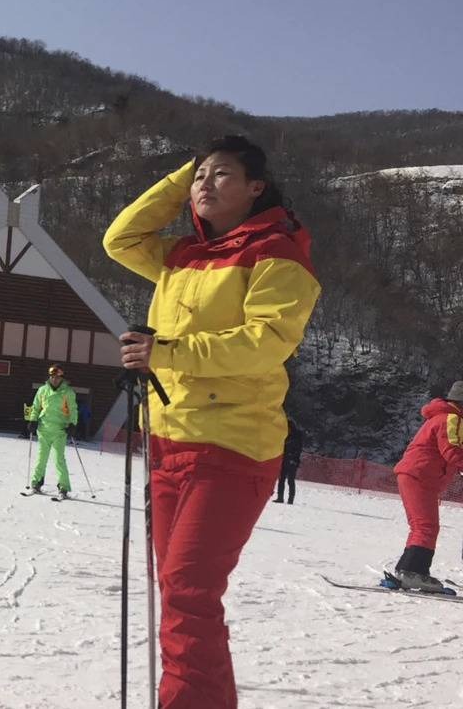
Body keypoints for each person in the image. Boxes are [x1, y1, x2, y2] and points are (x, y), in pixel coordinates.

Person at [103, 135, 320, 709]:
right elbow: (120, 239)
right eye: (200, 175)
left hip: (232, 446)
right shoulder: (182, 255)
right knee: (177, 593)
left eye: (221, 175)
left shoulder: (277, 252)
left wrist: (166, 352)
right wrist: (183, 177)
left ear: (256, 188)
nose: (205, 183)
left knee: (191, 597)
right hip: (169, 440)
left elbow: (266, 343)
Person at [389, 382, 463, 592]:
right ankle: (413, 572)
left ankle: (408, 570)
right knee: (426, 527)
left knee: (422, 526)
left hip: (417, 476)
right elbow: (452, 451)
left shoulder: (443, 417)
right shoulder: (451, 418)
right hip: (420, 476)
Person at [25, 365, 78, 497]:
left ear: (61, 377)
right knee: (41, 458)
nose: (54, 379)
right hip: (44, 429)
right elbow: (36, 406)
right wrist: (33, 420)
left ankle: (63, 487)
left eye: (57, 377)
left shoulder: (68, 392)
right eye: (52, 377)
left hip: (59, 430)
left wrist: (73, 424)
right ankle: (36, 483)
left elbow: (73, 409)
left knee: (59, 459)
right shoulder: (43, 390)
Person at [275, 420, 303, 505]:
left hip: (292, 462)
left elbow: (298, 450)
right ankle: (280, 498)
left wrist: (293, 459)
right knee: (281, 479)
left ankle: (291, 500)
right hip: (284, 461)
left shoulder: (297, 437)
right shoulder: (285, 436)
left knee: (290, 481)